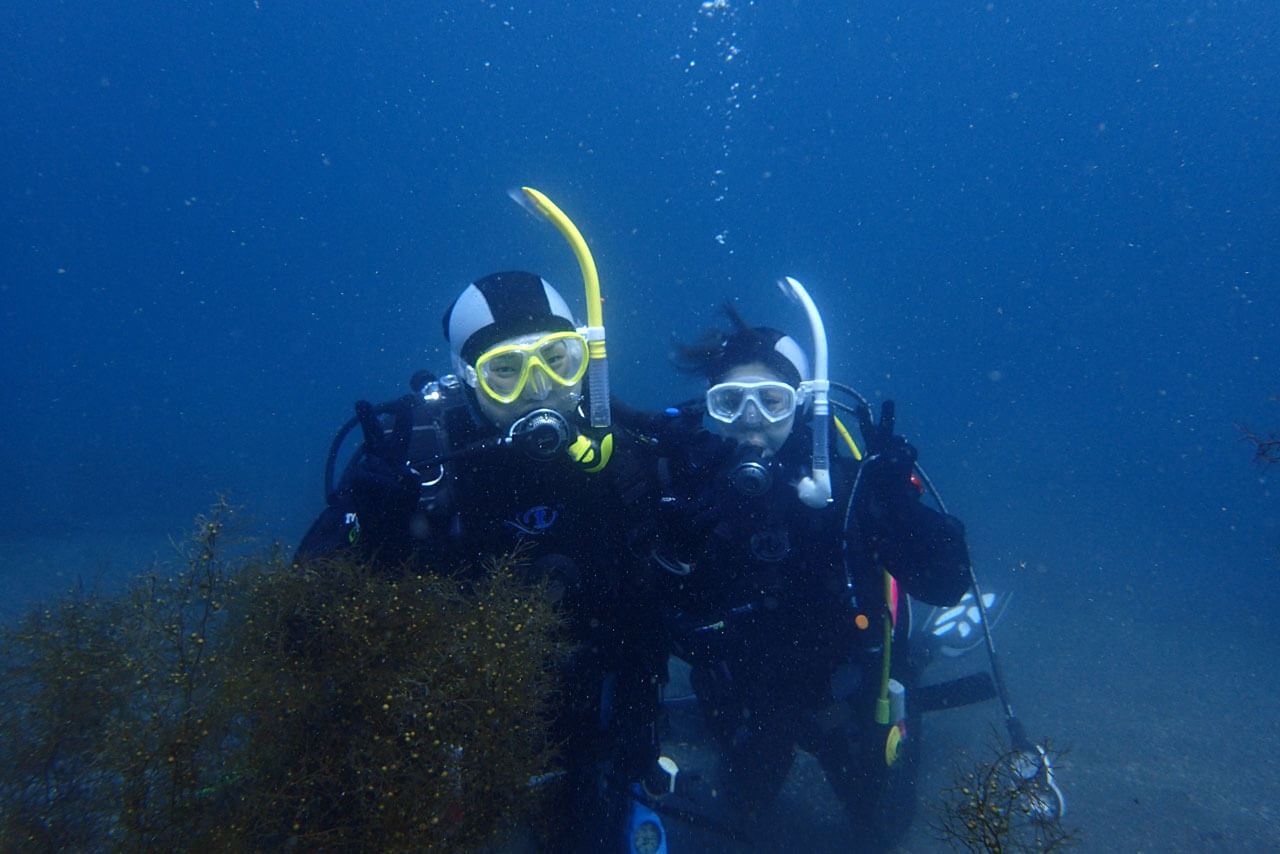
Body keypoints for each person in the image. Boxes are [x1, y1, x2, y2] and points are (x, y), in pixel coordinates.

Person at [296, 270, 671, 852]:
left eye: (558, 359)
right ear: (467, 380)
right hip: (438, 708)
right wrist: (364, 518)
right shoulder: (418, 461)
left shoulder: (622, 464)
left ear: (586, 363)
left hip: (576, 704)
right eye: (506, 370)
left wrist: (638, 725)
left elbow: (652, 607)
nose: (539, 388)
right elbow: (307, 598)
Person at [636, 284, 971, 848]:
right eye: (729, 404)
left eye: (772, 402)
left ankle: (924, 651)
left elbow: (947, 580)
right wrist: (675, 536)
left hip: (850, 691)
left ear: (803, 404)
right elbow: (650, 612)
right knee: (741, 815)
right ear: (709, 409)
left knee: (882, 829)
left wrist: (894, 503)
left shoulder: (849, 486)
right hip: (750, 696)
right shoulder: (687, 490)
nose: (751, 423)